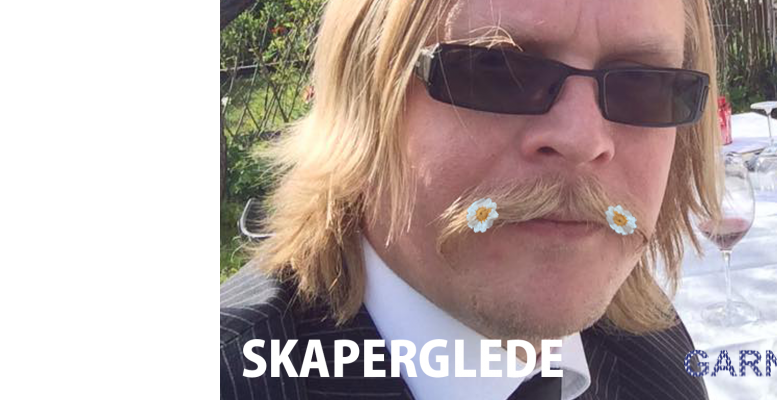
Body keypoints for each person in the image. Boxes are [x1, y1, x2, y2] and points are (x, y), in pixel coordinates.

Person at [220, 0, 725, 398]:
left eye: (645, 86)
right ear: (364, 97)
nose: (582, 139)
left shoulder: (650, 349)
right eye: (498, 71)